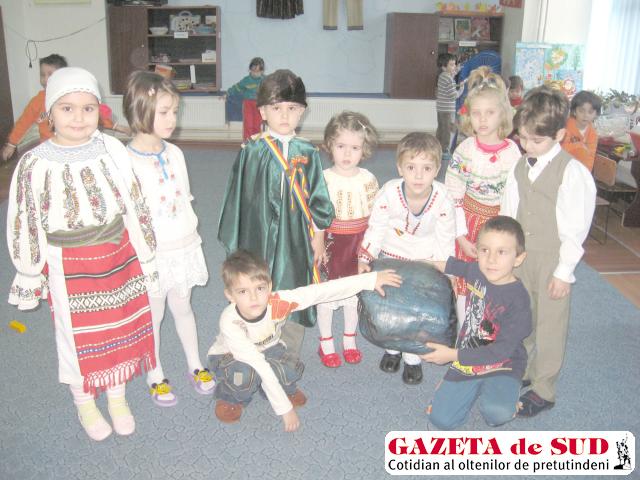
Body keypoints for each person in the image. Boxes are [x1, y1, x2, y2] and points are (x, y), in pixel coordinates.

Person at [6, 67, 159, 441]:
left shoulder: (112, 150)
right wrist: (29, 271)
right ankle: (85, 401)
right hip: (67, 264)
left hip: (117, 255)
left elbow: (134, 201)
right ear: (49, 113)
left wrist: (146, 253)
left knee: (120, 328)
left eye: (88, 108)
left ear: (99, 111)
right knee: (77, 338)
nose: (78, 118)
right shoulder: (35, 163)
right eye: (67, 108)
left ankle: (117, 397)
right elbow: (25, 218)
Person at [208, 249, 402, 431]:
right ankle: (230, 396)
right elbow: (259, 364)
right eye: (243, 291)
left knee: (289, 370)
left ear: (270, 287)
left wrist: (370, 280)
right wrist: (285, 409)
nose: (253, 297)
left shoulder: (278, 302)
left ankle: (273, 389)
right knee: (245, 375)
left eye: (259, 288)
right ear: (230, 295)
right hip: (230, 356)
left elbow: (321, 291)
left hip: (268, 347)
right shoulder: (230, 322)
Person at [218, 69, 335, 359]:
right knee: (254, 287)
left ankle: (288, 357)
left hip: (294, 238)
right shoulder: (252, 150)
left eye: (292, 108)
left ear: (302, 112)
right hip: (256, 234)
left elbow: (318, 197)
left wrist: (319, 236)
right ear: (262, 112)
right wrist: (236, 244)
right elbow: (237, 197)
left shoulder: (307, 152)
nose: (284, 115)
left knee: (292, 288)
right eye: (276, 108)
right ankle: (249, 350)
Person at [500, 86, 596, 417]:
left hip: (553, 259)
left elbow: (575, 228)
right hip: (522, 257)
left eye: (536, 140)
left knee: (550, 325)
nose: (527, 145)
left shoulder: (572, 173)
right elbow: (509, 210)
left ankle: (544, 389)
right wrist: (506, 253)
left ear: (558, 135)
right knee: (522, 316)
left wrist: (563, 272)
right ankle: (524, 368)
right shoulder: (519, 166)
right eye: (523, 138)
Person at [123, 71, 214, 407]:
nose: (172, 119)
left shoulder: (175, 153)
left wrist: (190, 233)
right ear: (139, 110)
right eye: (163, 112)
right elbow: (127, 213)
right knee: (154, 313)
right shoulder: (126, 161)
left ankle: (195, 364)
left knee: (183, 306)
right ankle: (155, 372)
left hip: (183, 245)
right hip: (152, 253)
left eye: (174, 111)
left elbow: (184, 197)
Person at [358, 132, 456, 384]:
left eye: (427, 168)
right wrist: (366, 257)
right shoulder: (389, 192)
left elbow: (446, 237)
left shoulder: (443, 198)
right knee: (390, 305)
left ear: (437, 169)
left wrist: (447, 270)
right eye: (411, 167)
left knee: (417, 310)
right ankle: (392, 349)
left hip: (426, 260)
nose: (419, 176)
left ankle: (412, 357)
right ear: (400, 168)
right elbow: (376, 227)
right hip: (391, 256)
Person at [420, 216, 531, 430]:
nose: (491, 260)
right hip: (468, 358)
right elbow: (454, 266)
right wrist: (426, 264)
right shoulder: (477, 271)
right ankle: (460, 387)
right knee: (441, 420)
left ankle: (506, 397)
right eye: (484, 250)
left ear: (518, 258)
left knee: (497, 414)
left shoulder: (519, 300)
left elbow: (500, 351)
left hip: (503, 364)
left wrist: (452, 356)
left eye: (501, 252)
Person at [445, 67, 521, 327]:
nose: (483, 120)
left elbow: (514, 197)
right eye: (477, 113)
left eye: (490, 113)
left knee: (493, 279)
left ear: (503, 114)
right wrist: (461, 236)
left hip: (498, 223)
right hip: (467, 222)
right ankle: (463, 330)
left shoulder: (512, 153)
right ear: (469, 116)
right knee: (465, 283)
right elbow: (453, 195)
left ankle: (485, 329)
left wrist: (506, 236)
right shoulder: (465, 149)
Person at [317, 111, 380, 367]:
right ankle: (325, 342)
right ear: (329, 145)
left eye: (354, 148)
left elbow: (377, 220)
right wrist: (316, 244)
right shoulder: (322, 178)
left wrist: (368, 252)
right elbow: (313, 217)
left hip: (357, 246)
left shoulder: (368, 180)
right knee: (327, 296)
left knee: (353, 298)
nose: (347, 154)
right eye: (341, 146)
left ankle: (349, 340)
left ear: (364, 149)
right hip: (330, 244)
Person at [1, 54, 128, 162]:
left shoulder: (74, 96)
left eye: (50, 74)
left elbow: (94, 114)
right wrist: (11, 144)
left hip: (75, 145)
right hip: (49, 148)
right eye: (42, 75)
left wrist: (116, 127)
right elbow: (23, 122)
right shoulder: (37, 101)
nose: (45, 79)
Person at [225, 57, 265, 141]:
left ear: (262, 71)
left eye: (258, 71)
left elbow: (272, 88)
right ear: (250, 70)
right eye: (253, 71)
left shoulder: (265, 80)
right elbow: (236, 88)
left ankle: (256, 143)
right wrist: (227, 93)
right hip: (248, 104)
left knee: (257, 125)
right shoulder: (246, 80)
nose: (255, 73)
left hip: (259, 104)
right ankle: (247, 143)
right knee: (248, 125)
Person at [561, 90, 602, 172]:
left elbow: (590, 159)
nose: (585, 115)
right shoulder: (565, 127)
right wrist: (580, 145)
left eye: (590, 112)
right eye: (581, 111)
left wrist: (585, 175)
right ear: (574, 111)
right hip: (561, 169)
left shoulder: (593, 134)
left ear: (596, 114)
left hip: (580, 171)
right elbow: (561, 152)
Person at [435, 53, 465, 155]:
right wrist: (461, 89)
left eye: (455, 64)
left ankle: (437, 147)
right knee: (448, 130)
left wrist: (457, 70)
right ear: (444, 67)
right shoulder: (449, 79)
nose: (454, 66)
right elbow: (454, 96)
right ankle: (445, 150)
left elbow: (452, 75)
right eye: (452, 65)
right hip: (447, 110)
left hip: (441, 109)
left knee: (441, 129)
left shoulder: (443, 76)